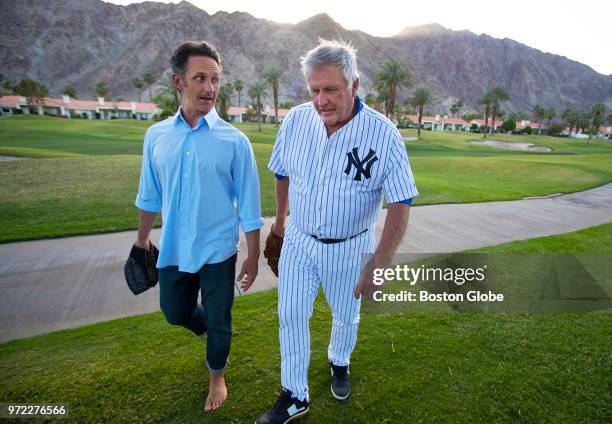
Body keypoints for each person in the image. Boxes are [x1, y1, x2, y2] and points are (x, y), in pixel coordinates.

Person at [257, 39, 418, 424]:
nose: (321, 100)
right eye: (314, 90)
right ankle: (295, 395)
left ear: (354, 85)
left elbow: (401, 201)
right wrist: (280, 223)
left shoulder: (384, 135)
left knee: (346, 315)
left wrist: (380, 262)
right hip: (299, 241)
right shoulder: (296, 121)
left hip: (350, 247)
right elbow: (281, 171)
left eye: (331, 89)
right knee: (291, 316)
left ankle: (339, 360)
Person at [134, 41, 263, 412]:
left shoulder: (235, 142)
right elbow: (148, 195)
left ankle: (217, 374)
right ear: (179, 81)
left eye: (216, 79)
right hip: (174, 247)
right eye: (200, 78)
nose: (210, 88)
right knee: (175, 312)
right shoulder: (156, 136)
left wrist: (253, 258)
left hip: (219, 250)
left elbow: (251, 210)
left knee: (221, 317)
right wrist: (142, 241)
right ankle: (212, 330)